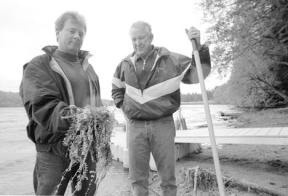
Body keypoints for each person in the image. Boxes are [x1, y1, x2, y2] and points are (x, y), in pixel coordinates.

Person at [111, 21, 211, 196]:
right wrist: (123, 106)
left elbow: (198, 74)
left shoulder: (171, 59)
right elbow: (116, 88)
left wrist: (199, 47)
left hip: (163, 124)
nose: (137, 43)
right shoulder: (124, 64)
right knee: (137, 180)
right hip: (135, 127)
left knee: (168, 179)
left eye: (141, 38)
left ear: (151, 37)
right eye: (134, 39)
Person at [19, 11, 102, 196]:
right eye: (72, 30)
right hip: (53, 151)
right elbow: (42, 105)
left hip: (86, 149)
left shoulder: (90, 70)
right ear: (57, 33)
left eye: (81, 33)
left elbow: (97, 105)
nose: (77, 36)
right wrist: (77, 117)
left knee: (87, 192)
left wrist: (101, 120)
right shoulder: (39, 65)